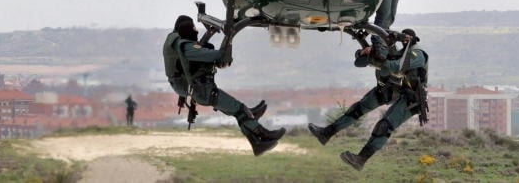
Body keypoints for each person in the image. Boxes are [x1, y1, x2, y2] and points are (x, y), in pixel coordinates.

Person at [308, 29, 429, 171]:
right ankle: (327, 133)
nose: (403, 41)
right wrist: (368, 54)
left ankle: (361, 159)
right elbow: (364, 62)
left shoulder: (418, 53)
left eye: (406, 38)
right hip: (395, 89)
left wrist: (380, 58)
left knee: (384, 126)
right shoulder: (401, 53)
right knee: (358, 108)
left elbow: (394, 67)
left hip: (412, 98)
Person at [163, 15, 284, 156]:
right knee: (239, 110)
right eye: (193, 30)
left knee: (238, 110)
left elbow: (178, 67)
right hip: (202, 91)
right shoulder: (186, 46)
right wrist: (227, 42)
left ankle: (255, 134)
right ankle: (261, 136)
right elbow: (215, 55)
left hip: (197, 89)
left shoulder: (173, 41)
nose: (196, 33)